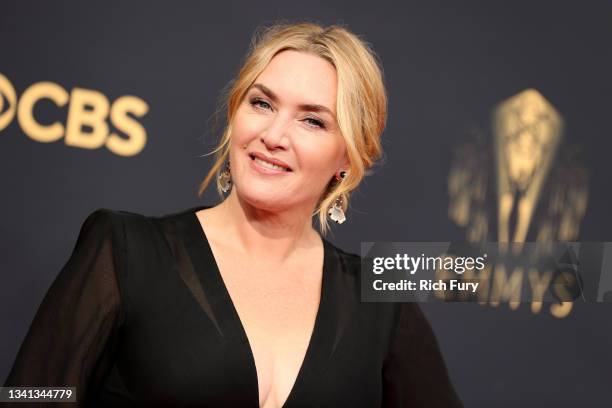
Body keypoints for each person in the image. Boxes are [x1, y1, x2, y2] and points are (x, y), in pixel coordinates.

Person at [4, 22, 463, 407]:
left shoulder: (382, 296)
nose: (274, 134)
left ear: (349, 157)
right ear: (235, 112)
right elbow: (32, 394)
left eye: (313, 120)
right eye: (262, 103)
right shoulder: (125, 249)